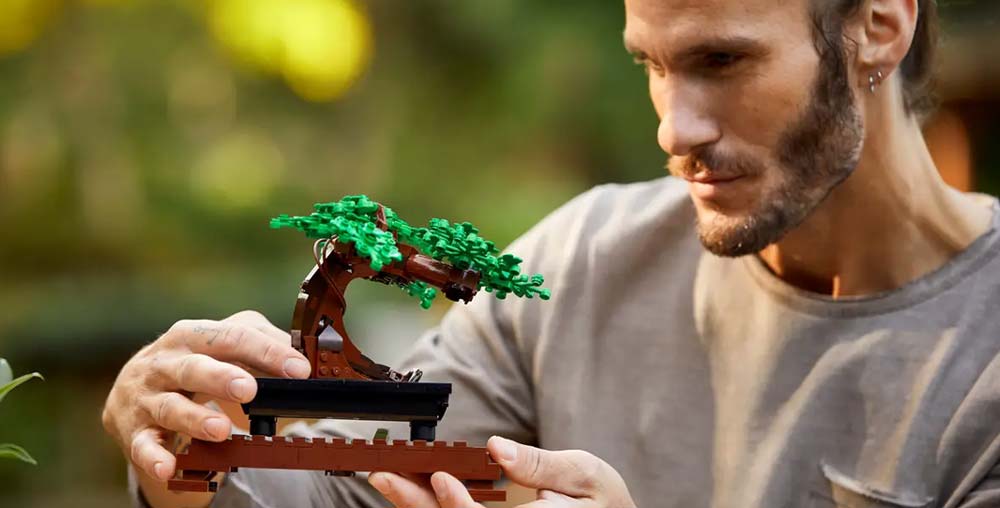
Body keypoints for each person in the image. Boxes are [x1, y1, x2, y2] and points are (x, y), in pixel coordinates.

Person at [102, 0, 1000, 506]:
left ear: (880, 24)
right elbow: (346, 495)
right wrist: (187, 464)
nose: (672, 127)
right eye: (649, 64)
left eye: (721, 61)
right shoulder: (581, 265)